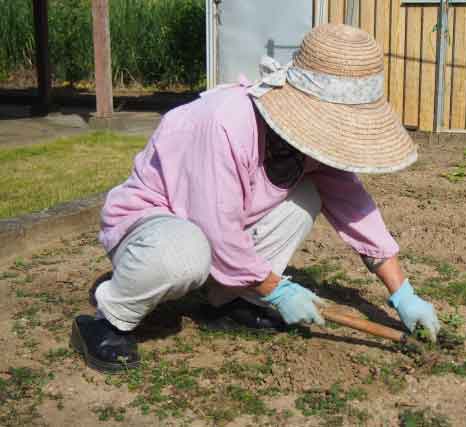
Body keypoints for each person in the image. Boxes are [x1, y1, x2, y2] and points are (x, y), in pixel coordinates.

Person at [70, 23, 440, 373]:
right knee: (185, 252)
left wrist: (403, 293)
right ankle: (109, 321)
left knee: (306, 196)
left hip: (216, 229)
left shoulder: (311, 144)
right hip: (154, 226)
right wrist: (277, 290)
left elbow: (355, 208)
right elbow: (214, 227)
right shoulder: (223, 123)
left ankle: (228, 301)